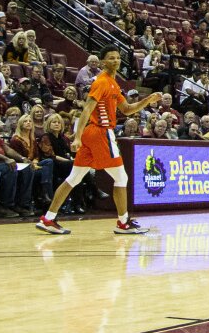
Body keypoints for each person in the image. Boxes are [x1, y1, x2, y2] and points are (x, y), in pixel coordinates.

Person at [35, 47, 162, 235]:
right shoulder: (101, 82)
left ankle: (48, 218)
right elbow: (86, 109)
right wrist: (77, 137)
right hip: (101, 132)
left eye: (118, 58)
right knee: (121, 177)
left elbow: (126, 109)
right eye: (111, 58)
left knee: (74, 177)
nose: (116, 61)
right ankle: (123, 222)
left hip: (93, 133)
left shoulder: (113, 83)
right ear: (103, 62)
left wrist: (147, 100)